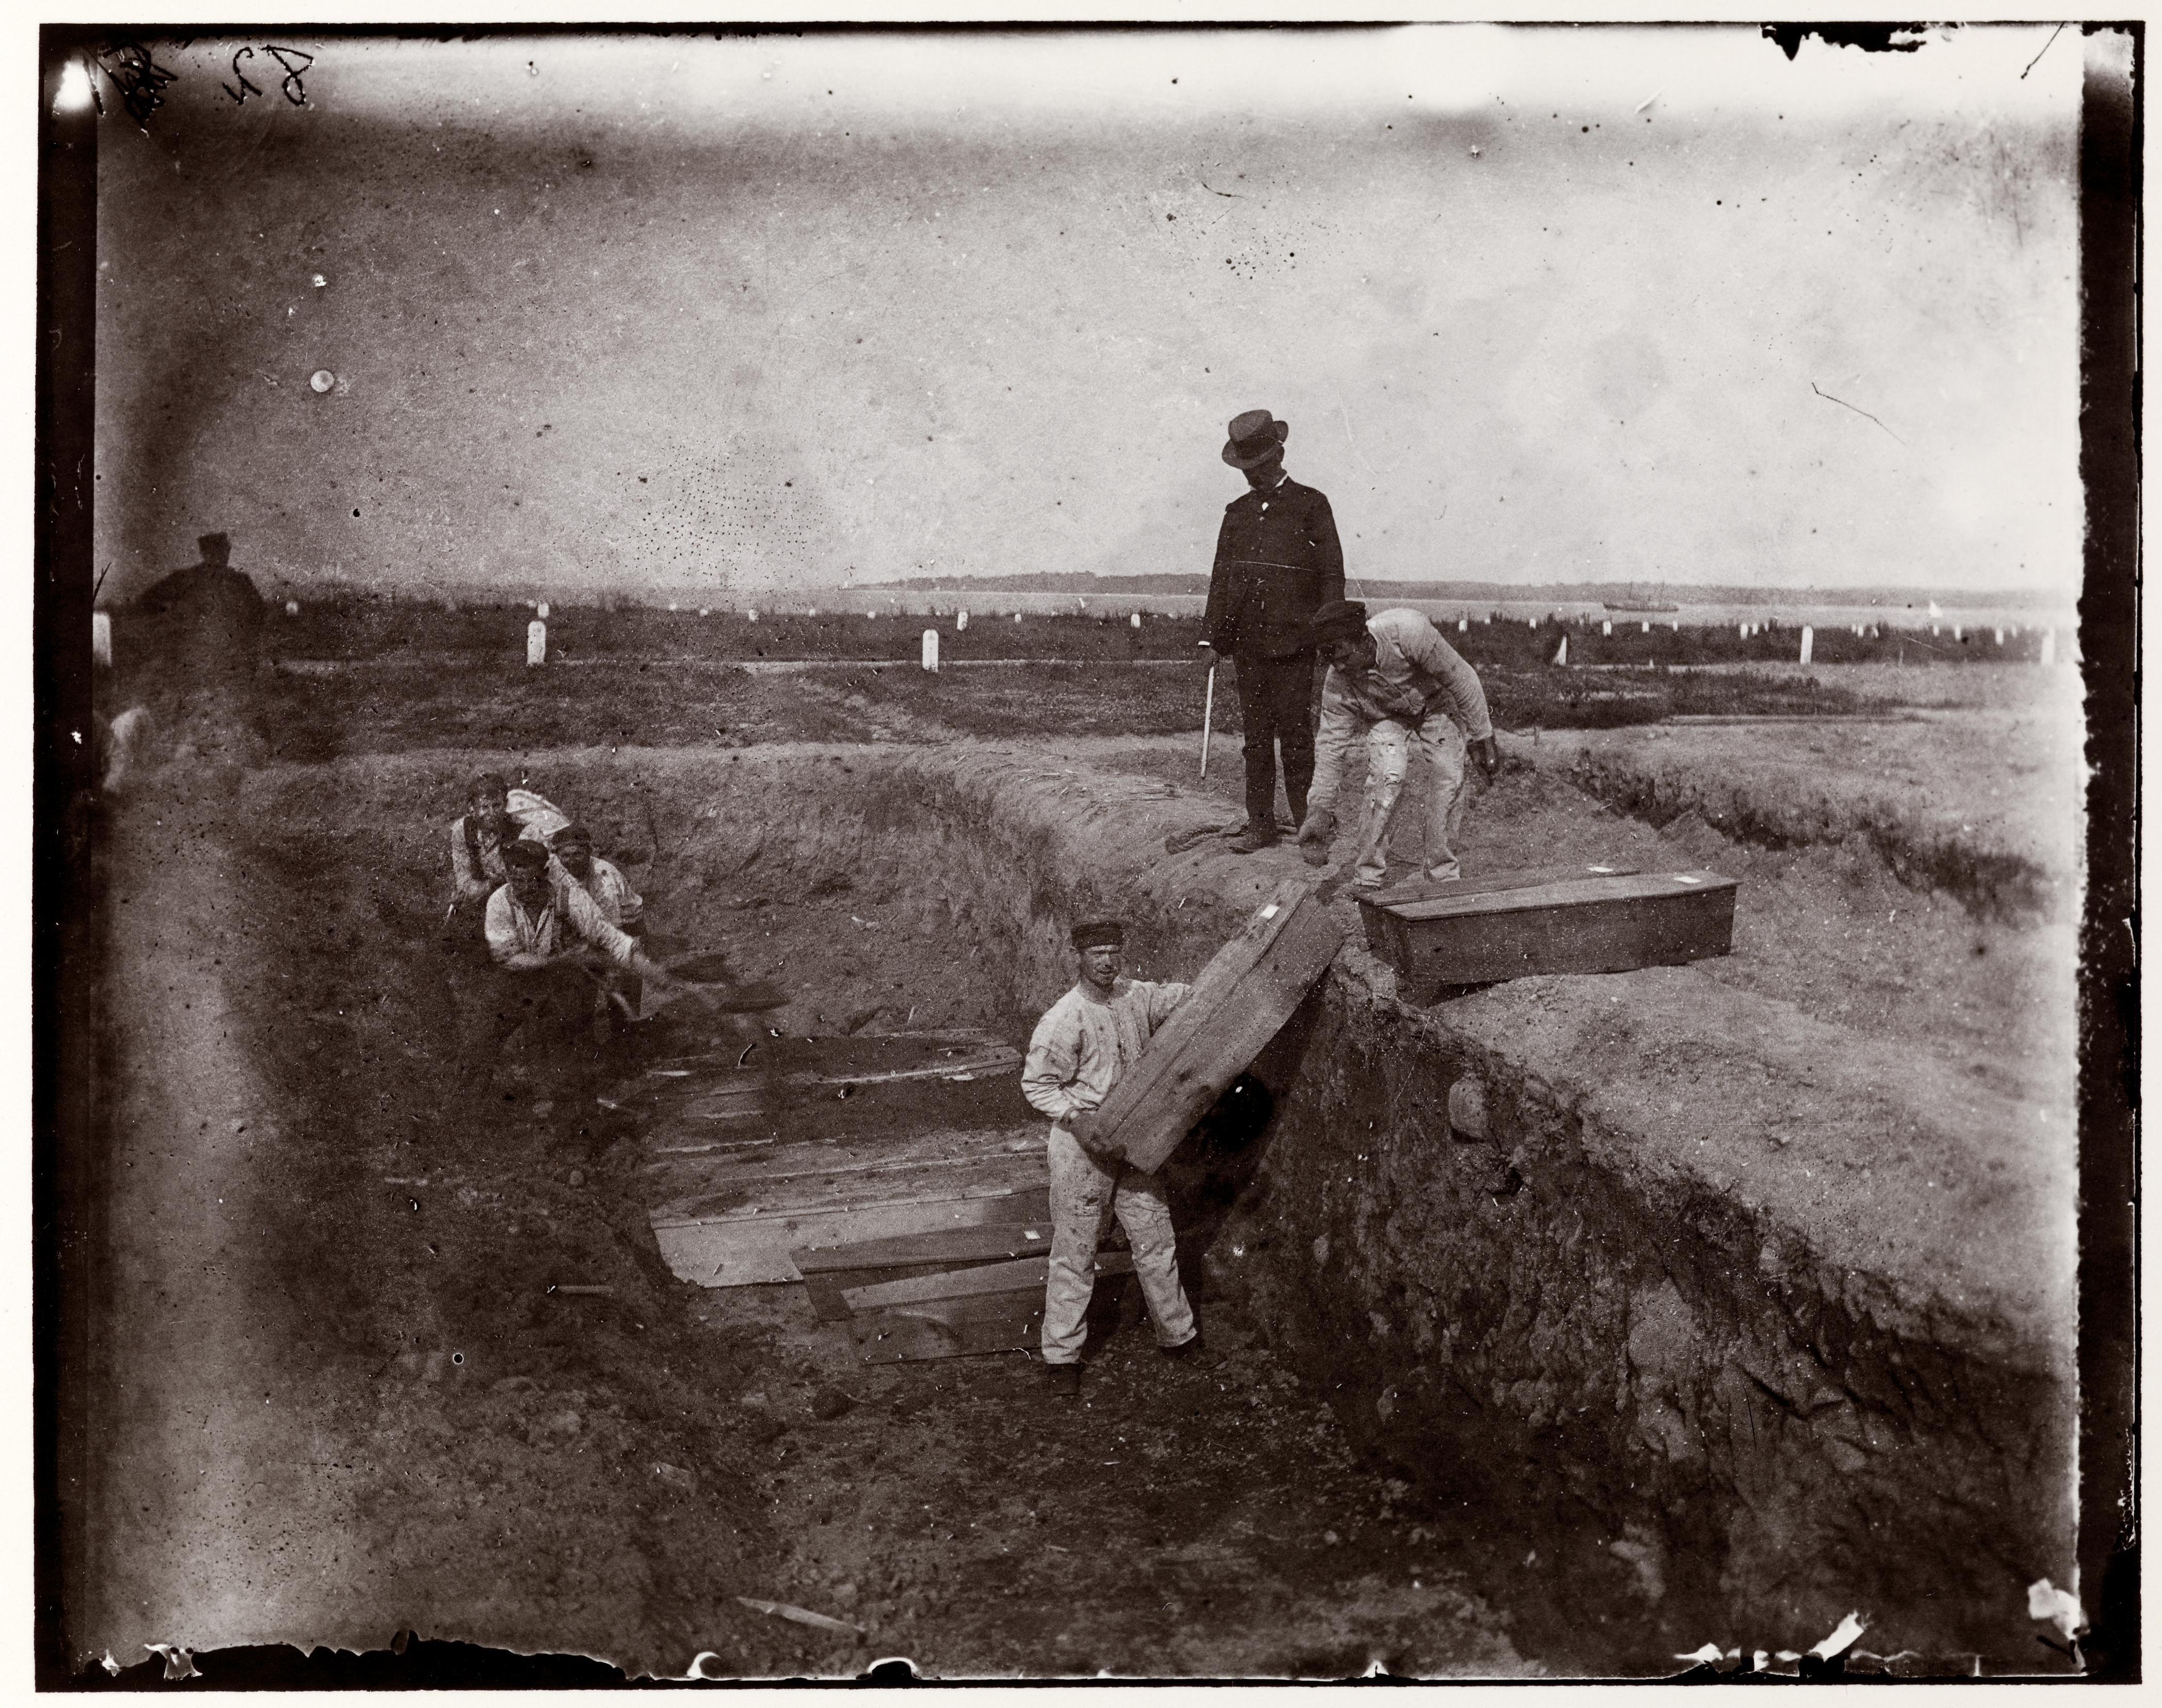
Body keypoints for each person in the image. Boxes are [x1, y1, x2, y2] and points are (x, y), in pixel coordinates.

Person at [1021, 920, 1215, 1398]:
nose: (1107, 962)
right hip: (1081, 1144)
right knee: (1076, 1251)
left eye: (1113, 952)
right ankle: (1062, 1359)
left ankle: (1179, 1338)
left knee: (1155, 1238)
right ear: (1080, 958)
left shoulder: (1138, 996)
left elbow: (1190, 997)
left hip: (1134, 1142)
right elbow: (1037, 1084)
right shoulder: (1064, 1019)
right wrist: (1079, 1122)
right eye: (1097, 954)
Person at [1200, 410, 1345, 855]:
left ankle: (1309, 831)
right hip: (1249, 646)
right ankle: (1260, 825)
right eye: (1246, 470)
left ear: (1279, 456)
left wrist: (1328, 634)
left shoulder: (1311, 504)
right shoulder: (1237, 514)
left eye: (1259, 467)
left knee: (1298, 739)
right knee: (1256, 740)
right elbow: (1222, 578)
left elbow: (1331, 575)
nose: (1252, 478)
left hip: (1295, 645)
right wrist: (1212, 639)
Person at [1296, 600, 1502, 891]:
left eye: (1344, 656)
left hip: (1435, 704)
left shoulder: (1409, 632)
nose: (1340, 666)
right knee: (1387, 779)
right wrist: (1319, 810)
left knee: (1449, 776)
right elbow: (1331, 747)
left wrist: (1484, 737)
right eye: (1331, 661)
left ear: (1365, 641)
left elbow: (1461, 677)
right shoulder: (1338, 682)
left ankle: (1442, 876)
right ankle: (1368, 876)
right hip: (1384, 715)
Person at [466, 837, 674, 1067]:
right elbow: (506, 958)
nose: (517, 879)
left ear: (544, 872)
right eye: (512, 871)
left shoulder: (571, 899)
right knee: (478, 1044)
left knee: (567, 1056)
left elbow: (611, 939)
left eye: (526, 871)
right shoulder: (499, 902)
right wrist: (561, 959)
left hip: (562, 984)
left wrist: (649, 969)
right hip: (517, 982)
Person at [446, 770, 572, 948]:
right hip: (481, 906)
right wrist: (494, 882)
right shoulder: (463, 830)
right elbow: (465, 889)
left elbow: (555, 876)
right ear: (472, 808)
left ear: (505, 804)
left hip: (520, 904)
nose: (492, 813)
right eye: (484, 807)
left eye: (497, 806)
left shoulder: (526, 832)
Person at [549, 821, 645, 1028]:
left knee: (622, 987)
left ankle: (626, 1035)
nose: (572, 861)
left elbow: (612, 932)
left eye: (577, 854)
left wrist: (612, 969)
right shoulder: (555, 874)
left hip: (627, 928)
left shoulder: (605, 878)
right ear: (557, 856)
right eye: (566, 856)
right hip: (582, 933)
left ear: (589, 852)